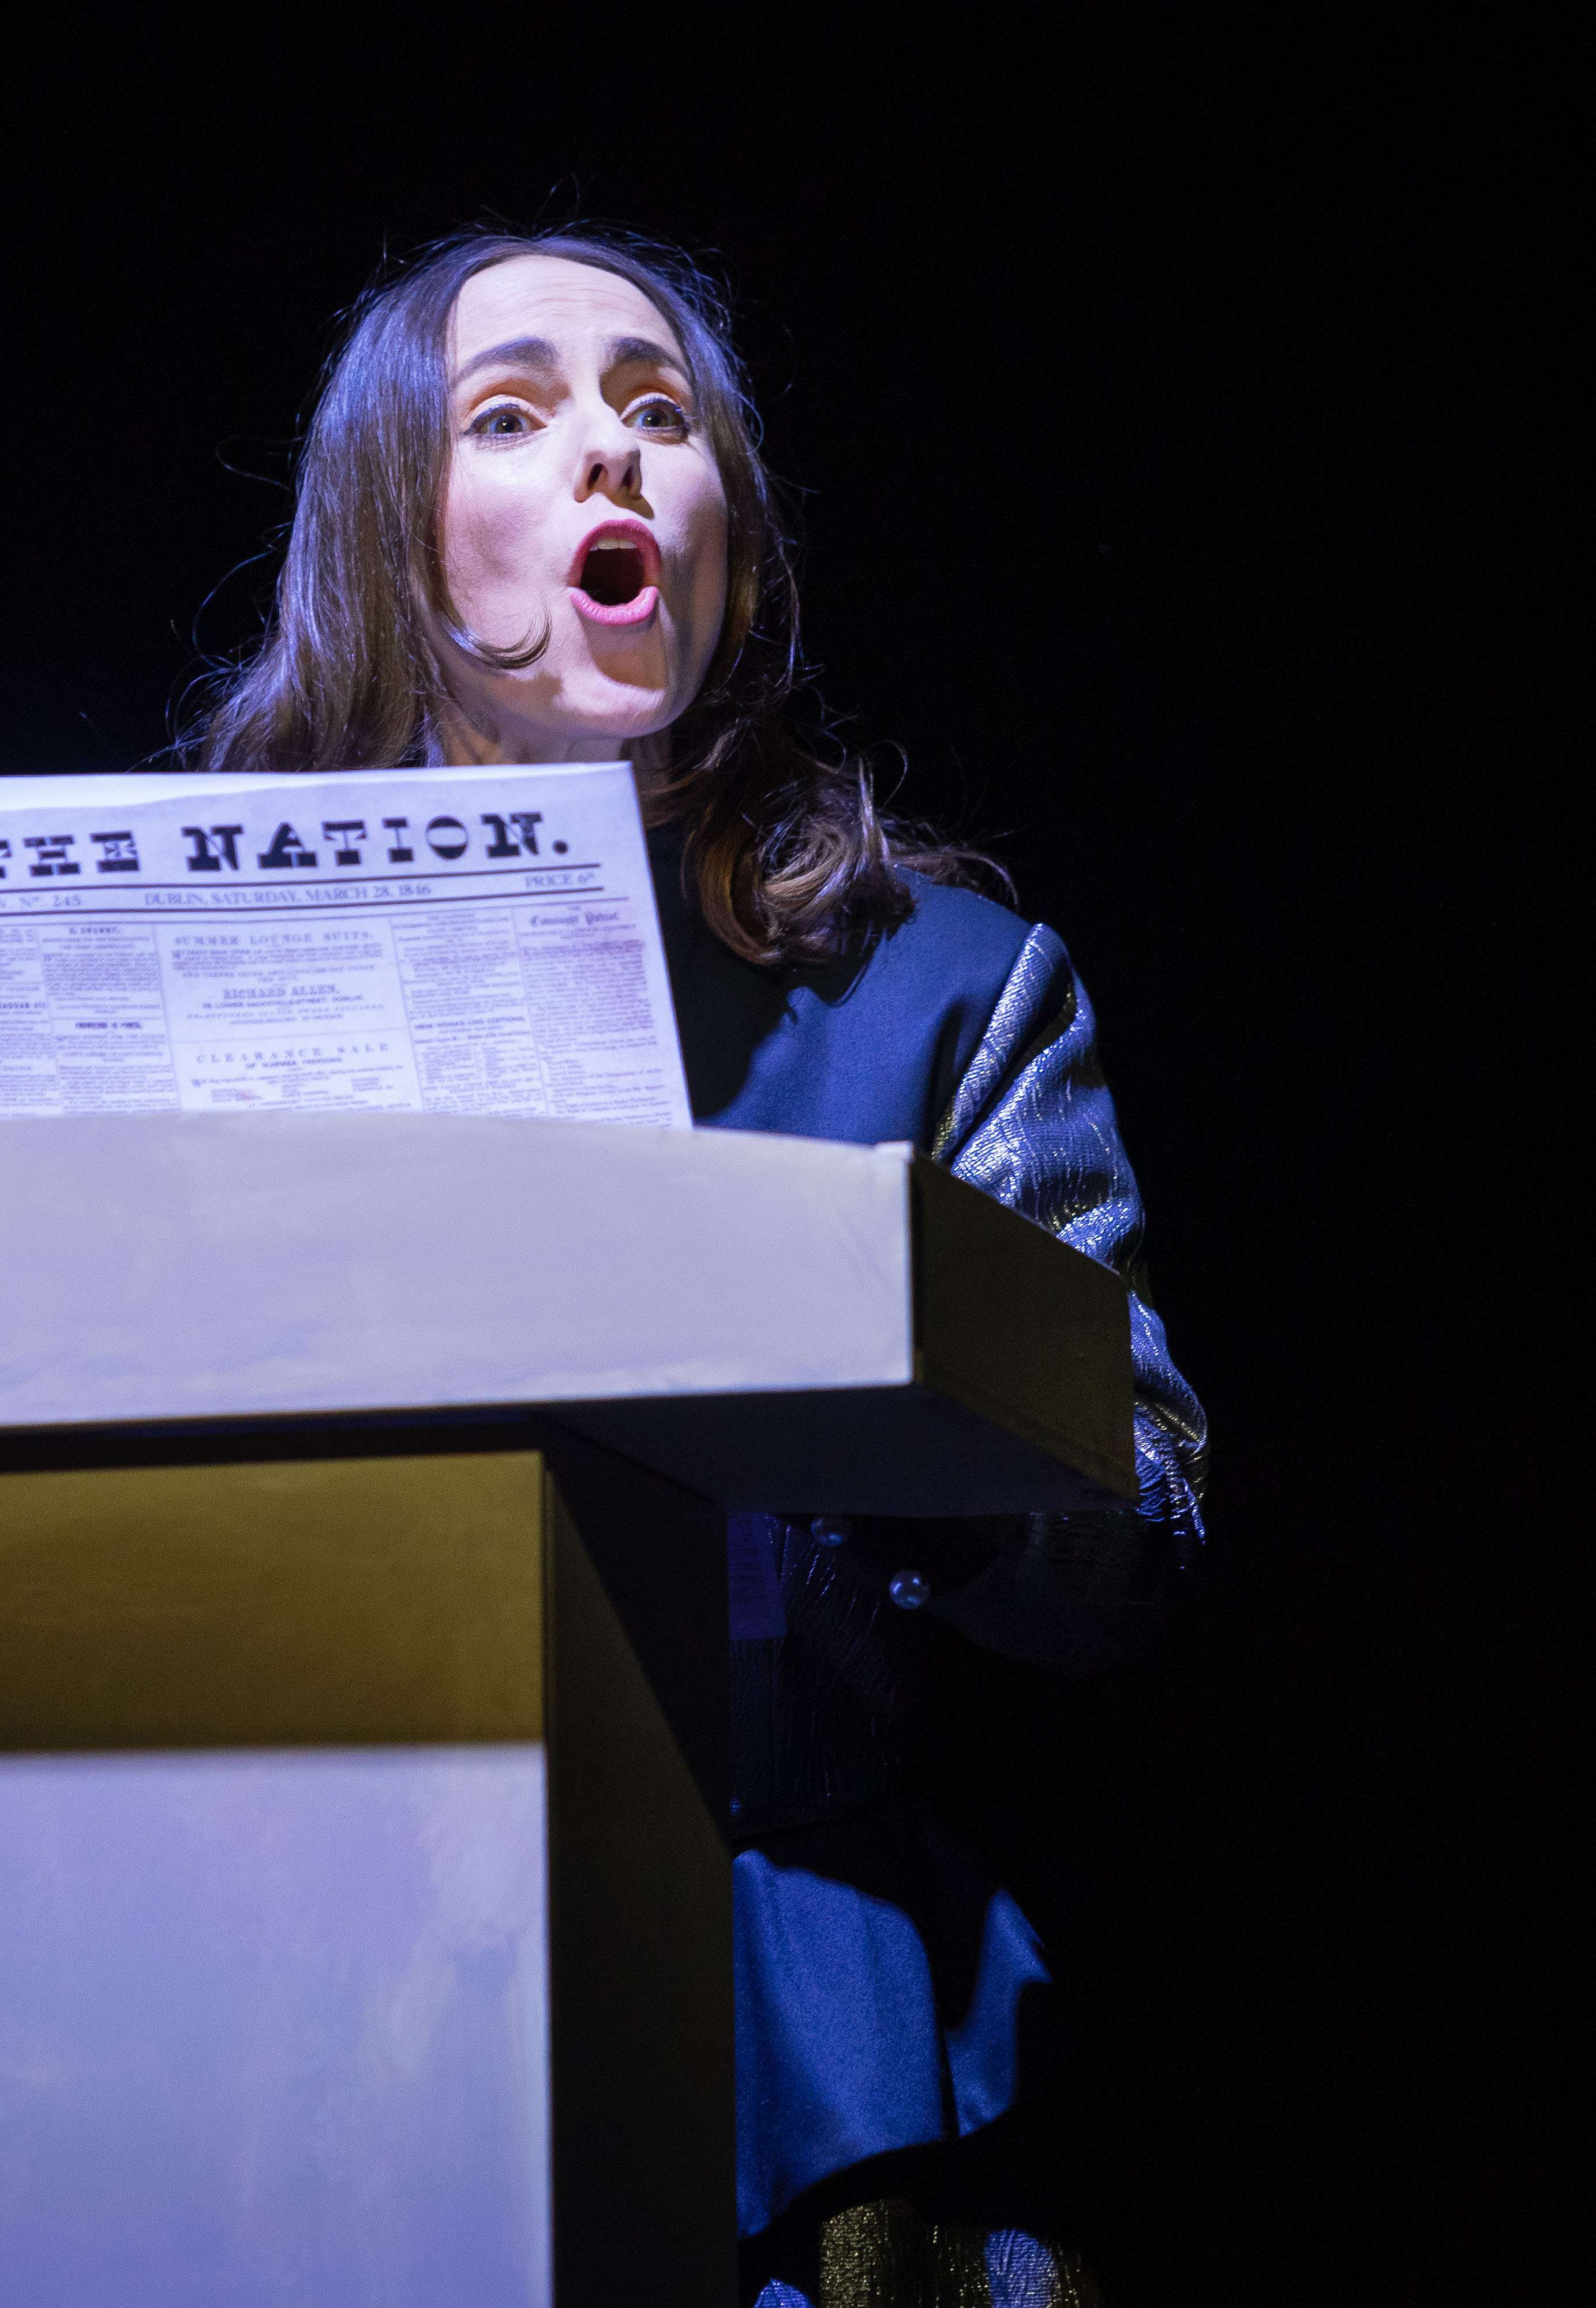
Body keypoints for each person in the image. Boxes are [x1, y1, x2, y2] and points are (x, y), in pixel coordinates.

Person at [186, 228, 1210, 2308]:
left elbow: (1148, 1525)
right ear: (385, 530)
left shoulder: (936, 990)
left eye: (661, 413)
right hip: (293, 1993)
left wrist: (879, 1386)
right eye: (511, 414)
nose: (612, 454)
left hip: (803, 2014)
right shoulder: (209, 979)